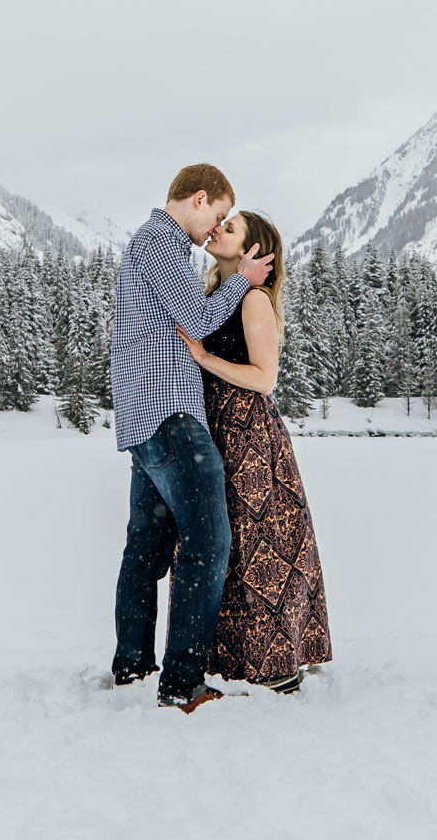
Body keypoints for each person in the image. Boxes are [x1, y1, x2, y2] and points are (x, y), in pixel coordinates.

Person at [110, 164, 273, 712]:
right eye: (219, 215)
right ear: (199, 199)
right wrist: (245, 283)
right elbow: (198, 321)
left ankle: (133, 667)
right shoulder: (161, 242)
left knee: (146, 549)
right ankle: (182, 684)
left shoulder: (153, 244)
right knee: (208, 544)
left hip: (146, 420)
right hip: (172, 416)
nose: (216, 229)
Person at [175, 210, 332, 694]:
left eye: (233, 226)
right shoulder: (212, 296)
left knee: (255, 541)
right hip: (213, 428)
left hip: (246, 433)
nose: (219, 227)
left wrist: (202, 357)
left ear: (253, 250)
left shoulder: (254, 300)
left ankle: (274, 661)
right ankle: (231, 658)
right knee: (221, 541)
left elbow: (265, 379)